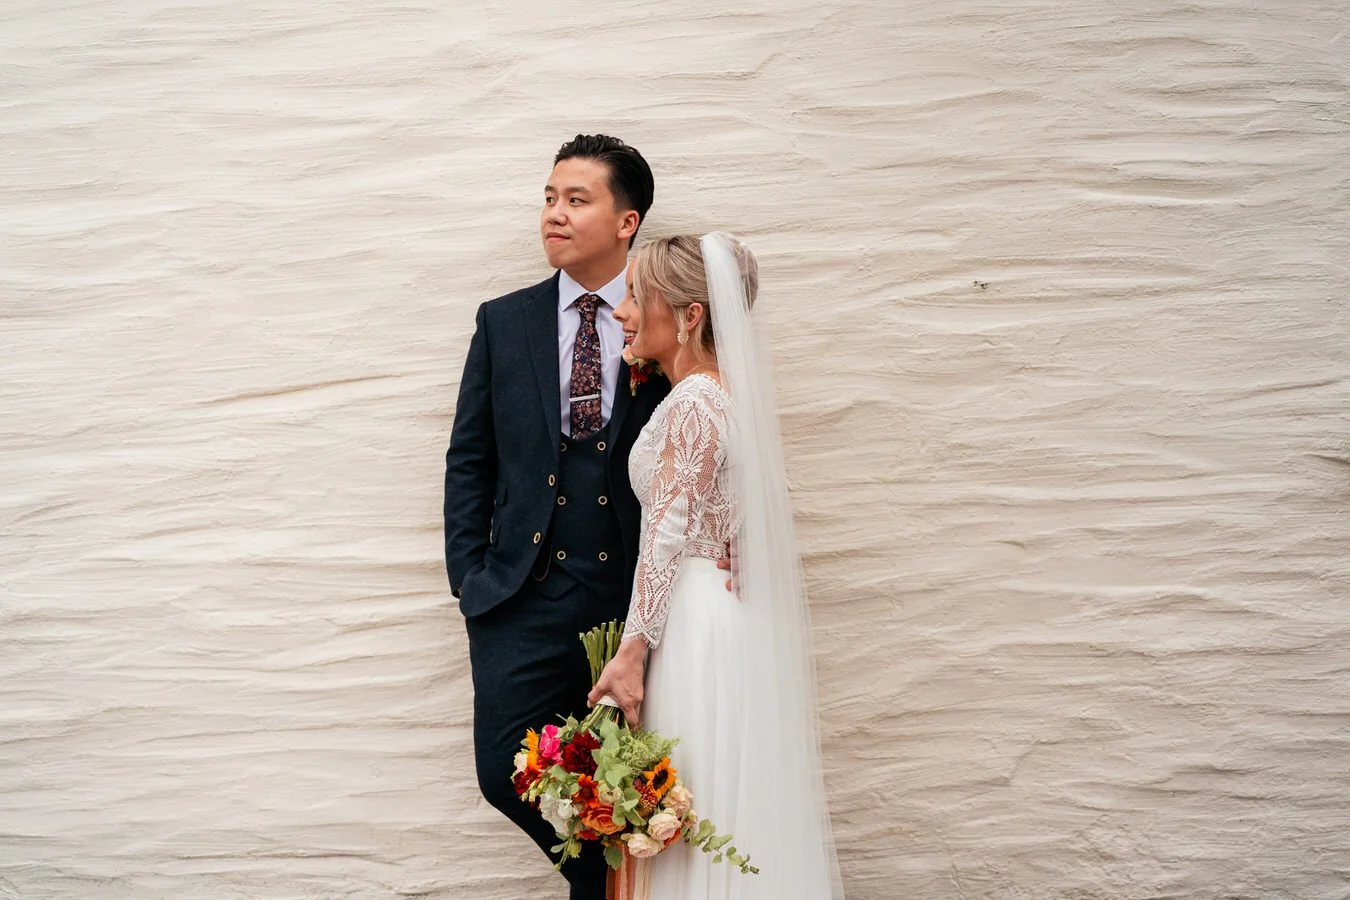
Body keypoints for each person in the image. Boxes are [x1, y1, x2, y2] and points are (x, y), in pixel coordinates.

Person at [442, 134, 669, 900]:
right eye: (548, 198)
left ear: (627, 220)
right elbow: (470, 458)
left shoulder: (663, 321)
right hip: (518, 598)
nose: (554, 214)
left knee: (619, 783)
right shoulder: (503, 322)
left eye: (577, 200)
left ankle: (610, 879)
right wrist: (471, 579)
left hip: (628, 604)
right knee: (506, 773)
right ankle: (613, 875)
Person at [590, 234, 845, 899]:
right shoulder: (723, 397)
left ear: (690, 314)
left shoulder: (697, 402)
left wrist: (633, 651)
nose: (623, 309)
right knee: (717, 799)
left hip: (690, 624)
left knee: (691, 804)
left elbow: (666, 535)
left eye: (638, 295)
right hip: (713, 611)